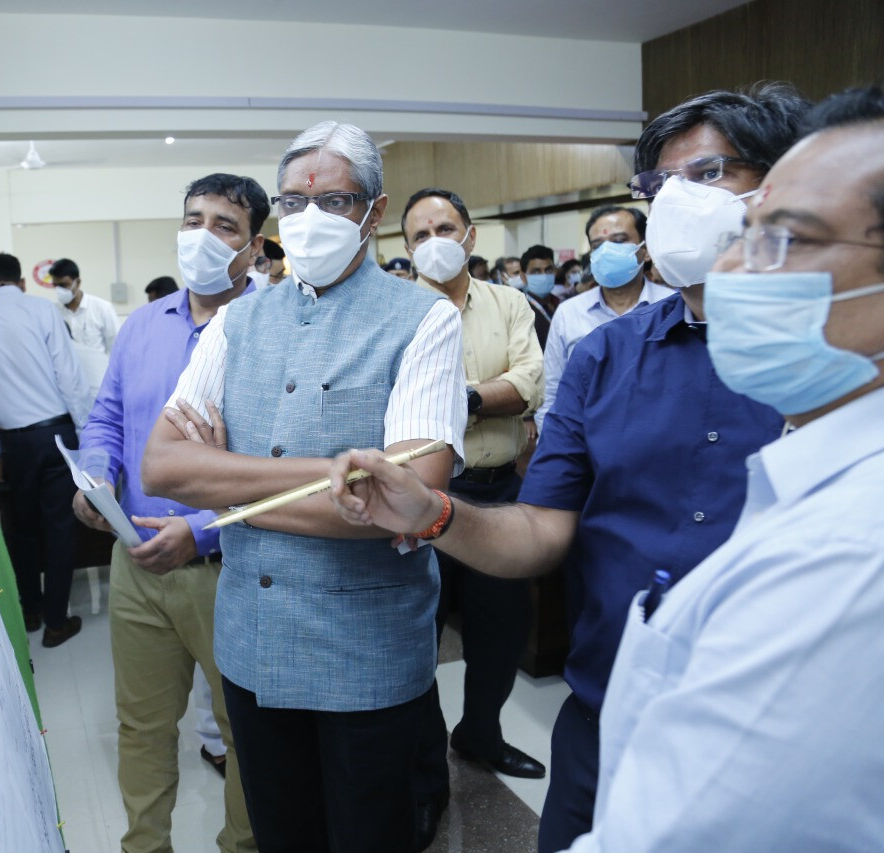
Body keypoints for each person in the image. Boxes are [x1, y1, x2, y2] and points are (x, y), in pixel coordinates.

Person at [329, 83, 884, 853]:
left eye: (713, 175)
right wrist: (432, 512)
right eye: (660, 186)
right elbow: (542, 527)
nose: (684, 203)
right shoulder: (603, 354)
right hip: (608, 701)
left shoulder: (826, 382)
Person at [142, 121, 465, 851]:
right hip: (252, 648)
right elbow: (162, 466)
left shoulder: (425, 321)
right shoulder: (238, 321)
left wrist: (225, 487)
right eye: (292, 203)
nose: (309, 220)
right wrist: (330, 477)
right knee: (283, 837)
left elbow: (403, 504)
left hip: (367, 656)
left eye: (335, 201)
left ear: (375, 213)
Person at [77, 173, 267, 853]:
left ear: (253, 248)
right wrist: (98, 474)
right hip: (135, 563)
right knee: (142, 725)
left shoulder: (270, 332)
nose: (203, 235)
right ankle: (144, 845)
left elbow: (285, 465)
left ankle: (241, 845)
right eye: (194, 219)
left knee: (246, 728)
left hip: (230, 567)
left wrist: (203, 529)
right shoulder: (141, 325)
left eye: (224, 225)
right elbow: (105, 416)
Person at [401, 187, 545, 846]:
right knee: (416, 645)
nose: (434, 237)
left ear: (470, 233)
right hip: (417, 497)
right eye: (420, 231)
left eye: (445, 225)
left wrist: (454, 396)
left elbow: (528, 386)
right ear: (404, 247)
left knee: (498, 633)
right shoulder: (391, 311)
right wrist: (488, 397)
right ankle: (425, 773)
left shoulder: (509, 303)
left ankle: (481, 735)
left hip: (492, 495)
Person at [0, 252, 93, 647]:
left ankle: (29, 611)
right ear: (21, 281)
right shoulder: (42, 311)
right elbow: (69, 377)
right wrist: (86, 436)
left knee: (23, 530)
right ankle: (56, 622)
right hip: (56, 435)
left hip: (13, 442)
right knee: (60, 529)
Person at [535, 207, 675, 430]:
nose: (607, 251)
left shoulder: (672, 307)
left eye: (619, 241)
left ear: (646, 250)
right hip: (588, 446)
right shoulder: (569, 312)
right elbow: (552, 393)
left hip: (664, 440)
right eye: (598, 246)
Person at [50, 258, 121, 354]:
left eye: (64, 285)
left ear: (78, 282)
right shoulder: (52, 311)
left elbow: (116, 344)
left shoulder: (102, 308)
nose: (59, 290)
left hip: (98, 367)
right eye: (55, 285)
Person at [519, 245, 555, 347]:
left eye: (548, 270)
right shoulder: (522, 310)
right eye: (536, 271)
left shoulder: (561, 304)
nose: (544, 276)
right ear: (523, 277)